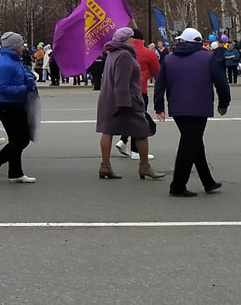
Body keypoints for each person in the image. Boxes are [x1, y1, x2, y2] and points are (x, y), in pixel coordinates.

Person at [153, 27, 231, 198]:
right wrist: (224, 102)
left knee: (194, 143)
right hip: (199, 107)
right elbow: (221, 82)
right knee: (188, 146)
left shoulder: (169, 59)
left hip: (177, 108)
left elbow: (160, 85)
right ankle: (178, 185)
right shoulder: (208, 57)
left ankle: (207, 181)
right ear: (198, 42)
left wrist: (159, 107)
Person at [95, 27, 164, 181]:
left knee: (108, 130)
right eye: (132, 37)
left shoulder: (112, 53)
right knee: (141, 131)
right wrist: (124, 104)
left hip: (107, 98)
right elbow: (122, 82)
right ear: (126, 40)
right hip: (128, 100)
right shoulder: (125, 55)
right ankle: (144, 166)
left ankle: (105, 166)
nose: (134, 40)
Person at [0, 32, 37, 183]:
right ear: (14, 46)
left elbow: (20, 73)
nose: (23, 46)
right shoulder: (5, 63)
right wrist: (25, 88)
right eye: (21, 44)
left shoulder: (12, 58)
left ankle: (15, 173)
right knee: (22, 139)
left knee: (15, 139)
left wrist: (29, 77)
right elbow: (2, 88)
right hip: (8, 105)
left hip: (12, 103)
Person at [114, 28, 160, 161]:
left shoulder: (120, 51)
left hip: (121, 91)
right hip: (140, 90)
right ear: (143, 39)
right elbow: (157, 72)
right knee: (138, 121)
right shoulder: (148, 53)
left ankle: (123, 141)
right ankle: (135, 151)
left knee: (128, 117)